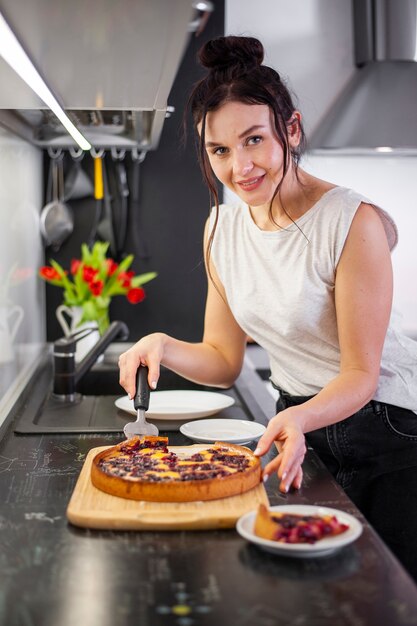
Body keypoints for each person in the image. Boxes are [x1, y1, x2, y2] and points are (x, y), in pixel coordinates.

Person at [119, 36, 417, 578]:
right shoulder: (221, 228)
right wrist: (161, 344)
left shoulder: (352, 222)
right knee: (318, 590)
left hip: (386, 431)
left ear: (292, 129)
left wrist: (297, 418)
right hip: (298, 426)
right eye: (221, 150)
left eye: (254, 139)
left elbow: (361, 374)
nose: (241, 167)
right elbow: (222, 358)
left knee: (390, 593)